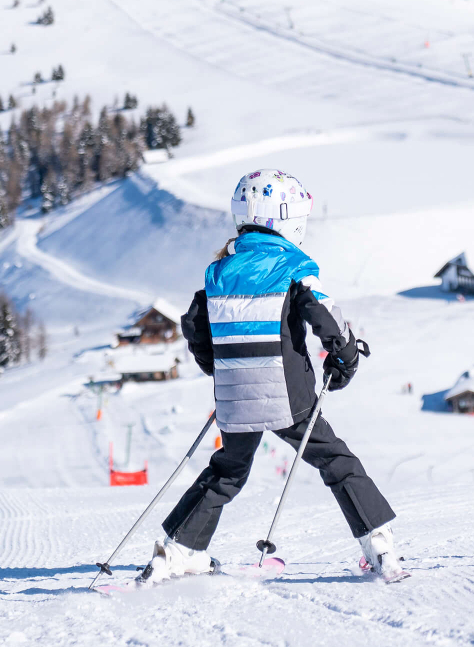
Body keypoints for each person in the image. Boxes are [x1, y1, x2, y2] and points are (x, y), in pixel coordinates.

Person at [139, 169, 401, 582]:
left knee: (227, 470)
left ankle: (177, 552)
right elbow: (325, 315)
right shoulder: (293, 266)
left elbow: (195, 327)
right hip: (287, 395)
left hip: (235, 393)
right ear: (284, 219)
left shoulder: (218, 272)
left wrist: (220, 368)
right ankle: (379, 543)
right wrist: (345, 356)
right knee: (335, 460)